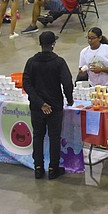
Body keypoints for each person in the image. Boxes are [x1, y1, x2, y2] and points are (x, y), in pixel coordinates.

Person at [22, 31, 73, 181]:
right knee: (54, 137)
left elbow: (26, 84)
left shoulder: (31, 62)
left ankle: (38, 168)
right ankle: (53, 168)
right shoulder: (59, 62)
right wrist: (69, 99)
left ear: (40, 44)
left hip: (37, 108)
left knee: (38, 136)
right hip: (55, 107)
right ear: (53, 44)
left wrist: (39, 102)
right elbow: (67, 83)